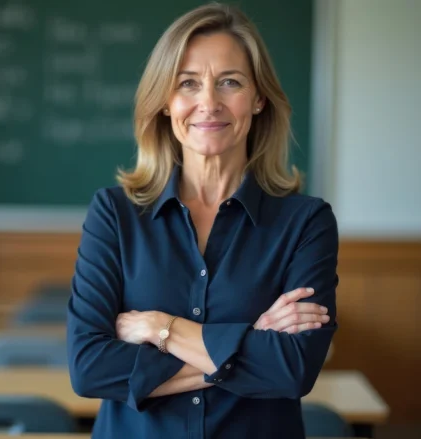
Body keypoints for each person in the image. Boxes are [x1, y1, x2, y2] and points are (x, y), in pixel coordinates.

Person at [67, 3, 338, 438]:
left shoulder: (306, 223)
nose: (208, 103)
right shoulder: (114, 215)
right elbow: (89, 369)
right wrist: (250, 338)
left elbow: (292, 370)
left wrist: (161, 328)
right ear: (165, 102)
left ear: (258, 98)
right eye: (187, 83)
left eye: (229, 82)